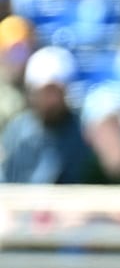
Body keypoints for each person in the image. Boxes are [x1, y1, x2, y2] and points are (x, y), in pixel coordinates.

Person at [0, 45, 93, 184]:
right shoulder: (17, 130)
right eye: (43, 92)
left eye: (54, 91)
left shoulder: (83, 132)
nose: (49, 100)